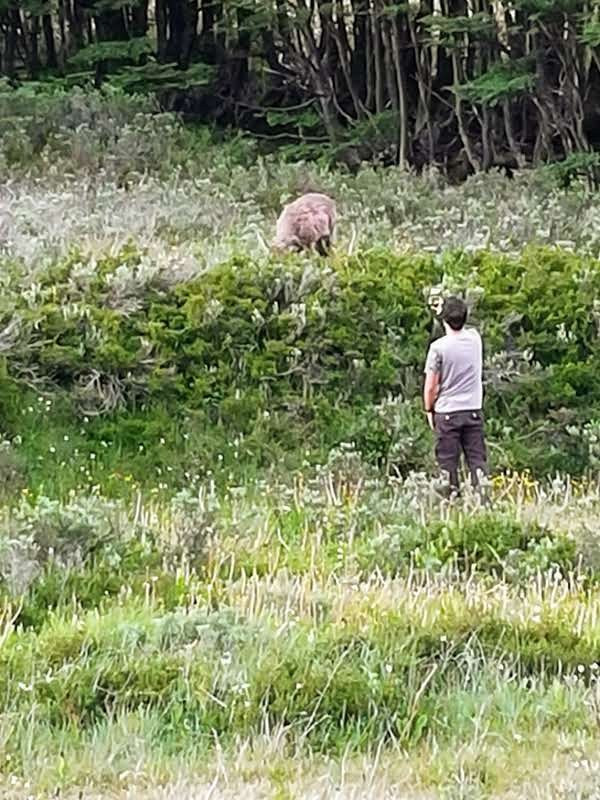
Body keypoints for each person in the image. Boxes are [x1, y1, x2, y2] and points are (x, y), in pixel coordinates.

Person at [423, 296, 488, 498]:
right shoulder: (475, 339)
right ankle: (483, 500)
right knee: (477, 461)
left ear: (444, 320)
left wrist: (429, 409)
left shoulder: (438, 348)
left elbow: (431, 386)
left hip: (447, 412)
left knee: (448, 465)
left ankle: (451, 504)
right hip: (473, 410)